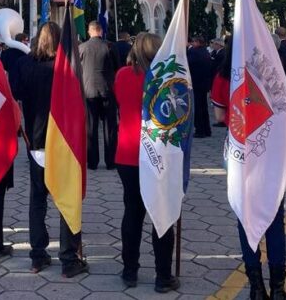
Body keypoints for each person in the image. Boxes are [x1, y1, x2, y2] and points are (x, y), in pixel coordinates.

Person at [211, 36, 286, 300]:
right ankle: (278, 288)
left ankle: (256, 287)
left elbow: (220, 117)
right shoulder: (270, 71)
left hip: (240, 155)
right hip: (270, 153)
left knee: (246, 218)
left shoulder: (222, 76)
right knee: (274, 218)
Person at [13, 22, 88, 278]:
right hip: (62, 144)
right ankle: (69, 258)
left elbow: (16, 91)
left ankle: (38, 255)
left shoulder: (24, 65)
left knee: (37, 200)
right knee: (66, 198)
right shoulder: (64, 68)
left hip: (36, 142)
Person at [113, 32, 180, 292]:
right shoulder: (164, 80)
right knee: (161, 214)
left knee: (133, 211)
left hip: (128, 154)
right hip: (157, 153)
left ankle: (130, 270)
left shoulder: (121, 75)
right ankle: (163, 276)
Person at [78, 21, 120, 170]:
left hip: (88, 92)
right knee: (110, 127)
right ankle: (111, 161)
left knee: (90, 128)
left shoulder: (81, 48)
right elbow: (117, 68)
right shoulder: (109, 46)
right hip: (107, 90)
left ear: (89, 32)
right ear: (100, 31)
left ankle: (92, 161)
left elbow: (77, 70)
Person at [187, 36, 213, 138]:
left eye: (193, 42)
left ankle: (200, 130)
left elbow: (187, 63)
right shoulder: (205, 52)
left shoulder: (194, 52)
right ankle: (207, 129)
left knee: (198, 108)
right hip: (204, 84)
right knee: (204, 107)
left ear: (198, 42)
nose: (192, 44)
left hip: (196, 83)